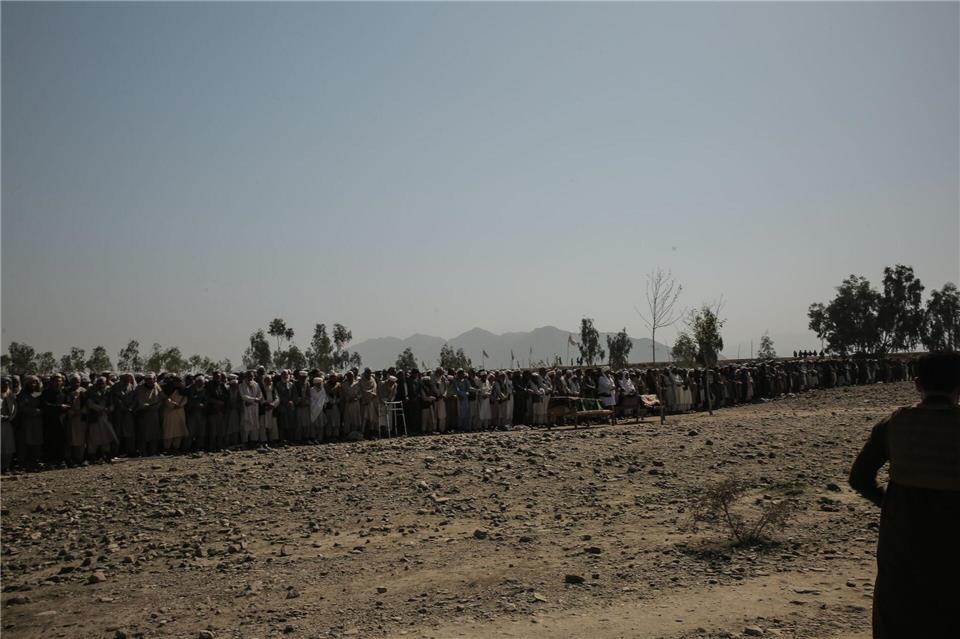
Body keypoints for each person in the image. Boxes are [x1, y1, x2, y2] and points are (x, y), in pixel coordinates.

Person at [848, 351, 960, 638]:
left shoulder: (894, 424)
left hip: (903, 537)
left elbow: (859, 478)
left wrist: (888, 503)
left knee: (898, 613)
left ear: (918, 384)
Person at [161, 377, 189, 452]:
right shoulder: (167, 390)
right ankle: (167, 447)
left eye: (179, 382)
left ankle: (176, 447)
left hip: (180, 411)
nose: (177, 384)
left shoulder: (183, 390)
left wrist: (180, 405)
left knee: (179, 430)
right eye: (176, 382)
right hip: (169, 412)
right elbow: (166, 399)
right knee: (168, 430)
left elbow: (185, 399)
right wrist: (174, 405)